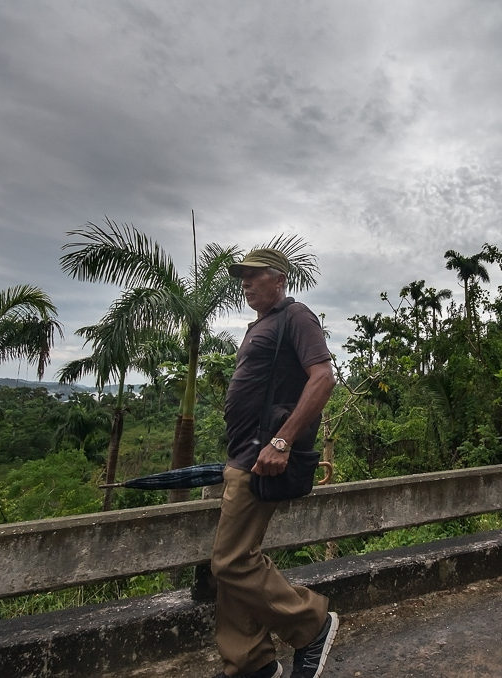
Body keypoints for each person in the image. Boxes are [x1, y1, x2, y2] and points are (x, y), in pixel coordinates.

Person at [211, 248, 338, 678]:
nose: (244, 283)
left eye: (253, 275)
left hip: (263, 458)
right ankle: (251, 663)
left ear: (279, 277)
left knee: (231, 563)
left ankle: (312, 623)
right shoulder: (260, 325)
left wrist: (282, 442)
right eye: (241, 277)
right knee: (236, 562)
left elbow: (322, 378)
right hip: (241, 457)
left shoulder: (295, 316)